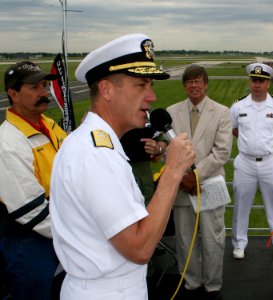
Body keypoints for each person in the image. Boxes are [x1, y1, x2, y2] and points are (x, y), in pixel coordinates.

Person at [49, 33, 195, 300]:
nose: (151, 97)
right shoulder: (95, 155)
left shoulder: (96, 145)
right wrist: (173, 172)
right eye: (141, 85)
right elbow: (139, 249)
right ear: (106, 90)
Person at [0, 61, 67, 299]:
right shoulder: (8, 142)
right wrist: (72, 232)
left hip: (58, 229)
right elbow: (28, 210)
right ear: (13, 94)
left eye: (45, 85)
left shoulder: (49, 124)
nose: (44, 92)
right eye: (35, 87)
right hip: (31, 241)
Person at [167, 65, 232, 299]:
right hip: (181, 187)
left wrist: (193, 176)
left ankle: (212, 284)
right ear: (184, 85)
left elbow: (222, 152)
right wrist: (180, 175)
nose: (194, 85)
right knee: (185, 240)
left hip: (209, 184)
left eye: (198, 81)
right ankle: (192, 282)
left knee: (213, 239)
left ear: (206, 84)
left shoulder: (222, 112)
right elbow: (168, 149)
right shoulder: (171, 112)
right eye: (189, 82)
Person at [230, 63, 273, 259]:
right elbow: (234, 129)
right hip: (245, 162)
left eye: (261, 81)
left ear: (268, 83)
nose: (257, 85)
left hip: (271, 162)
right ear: (249, 82)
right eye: (254, 80)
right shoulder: (238, 106)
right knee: (241, 204)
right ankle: (239, 244)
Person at [120, 126, 167, 203]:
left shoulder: (145, 119)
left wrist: (158, 149)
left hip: (144, 178)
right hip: (121, 177)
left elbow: (162, 140)